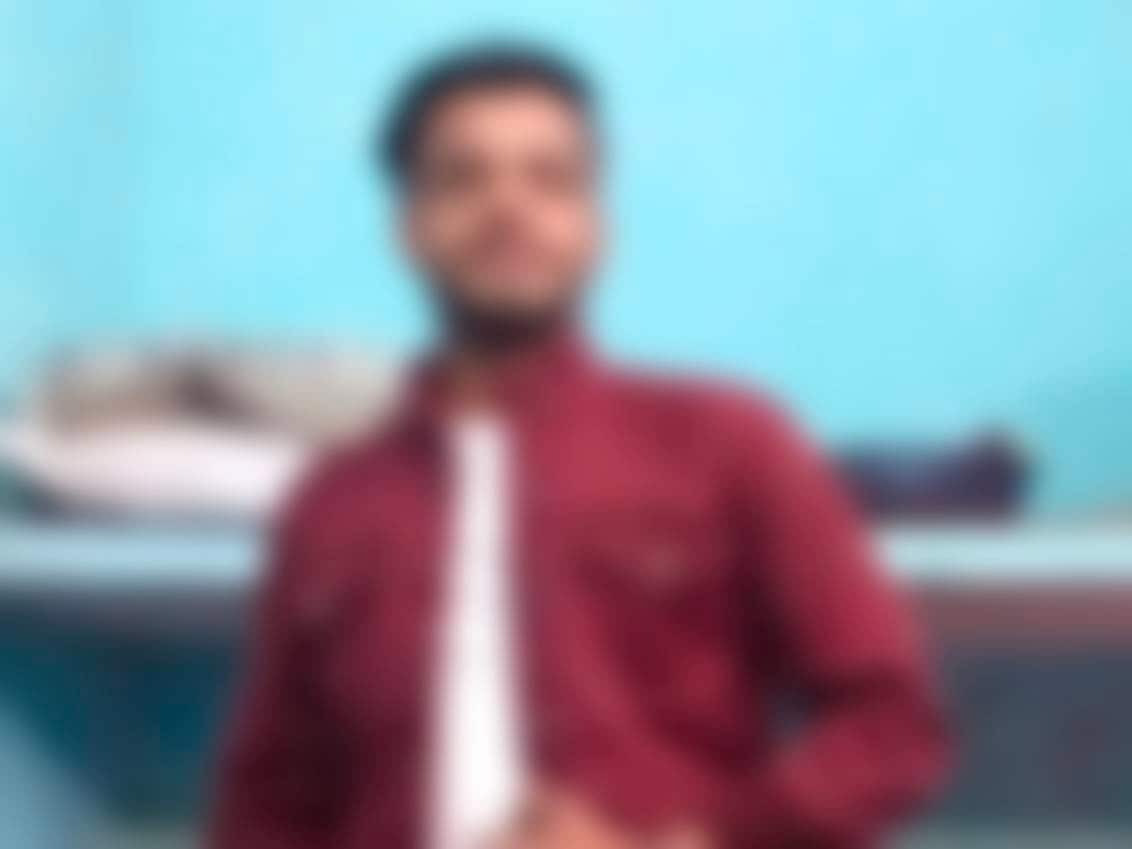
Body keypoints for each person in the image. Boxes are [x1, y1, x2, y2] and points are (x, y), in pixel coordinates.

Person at [208, 43, 950, 849]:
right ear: (409, 229)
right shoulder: (334, 502)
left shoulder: (727, 443)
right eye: (462, 178)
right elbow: (265, 807)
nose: (508, 208)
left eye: (551, 179)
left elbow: (891, 724)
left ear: (596, 226)